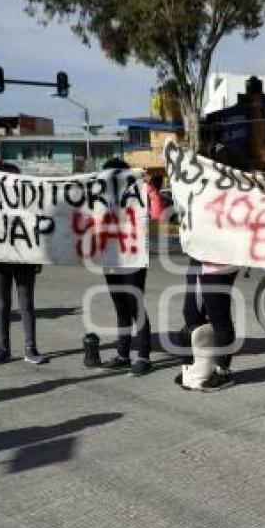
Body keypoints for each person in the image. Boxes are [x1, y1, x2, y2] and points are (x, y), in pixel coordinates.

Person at [0, 162, 49, 366]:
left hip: (24, 258)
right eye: (12, 176)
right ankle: (3, 349)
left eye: (17, 176)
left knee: (26, 304)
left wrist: (38, 258)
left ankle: (30, 348)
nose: (16, 180)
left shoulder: (27, 199)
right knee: (2, 305)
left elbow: (36, 227)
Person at [99, 157, 153, 376]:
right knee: (121, 307)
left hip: (133, 259)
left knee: (135, 306)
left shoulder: (139, 195)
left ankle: (143, 356)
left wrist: (149, 186)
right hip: (111, 260)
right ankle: (123, 354)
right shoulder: (100, 198)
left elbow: (157, 212)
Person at [175, 261, 239, 390]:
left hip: (219, 264)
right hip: (198, 260)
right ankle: (195, 367)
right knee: (191, 315)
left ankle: (222, 372)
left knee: (219, 319)